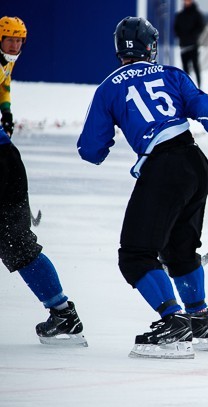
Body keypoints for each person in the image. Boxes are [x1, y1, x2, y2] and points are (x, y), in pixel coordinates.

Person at [77, 17, 208, 359]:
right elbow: (204, 105)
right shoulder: (171, 74)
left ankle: (173, 323)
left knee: (135, 255)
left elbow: (91, 150)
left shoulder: (109, 86)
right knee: (179, 251)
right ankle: (199, 322)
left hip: (163, 167)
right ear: (148, 47)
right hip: (196, 164)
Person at [0, 17, 86, 346]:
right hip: (9, 162)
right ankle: (63, 313)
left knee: (18, 243)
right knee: (17, 242)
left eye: (19, 40)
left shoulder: (5, 62)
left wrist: (5, 109)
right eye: (10, 39)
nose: (15, 46)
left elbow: (4, 85)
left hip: (5, 162)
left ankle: (63, 314)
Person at [174, 0, 206, 88]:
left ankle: (199, 86)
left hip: (193, 45)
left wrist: (192, 35)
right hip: (183, 45)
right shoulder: (180, 15)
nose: (187, 2)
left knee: (196, 66)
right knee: (185, 69)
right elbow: (176, 28)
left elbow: (201, 27)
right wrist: (181, 36)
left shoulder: (196, 14)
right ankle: (187, 87)